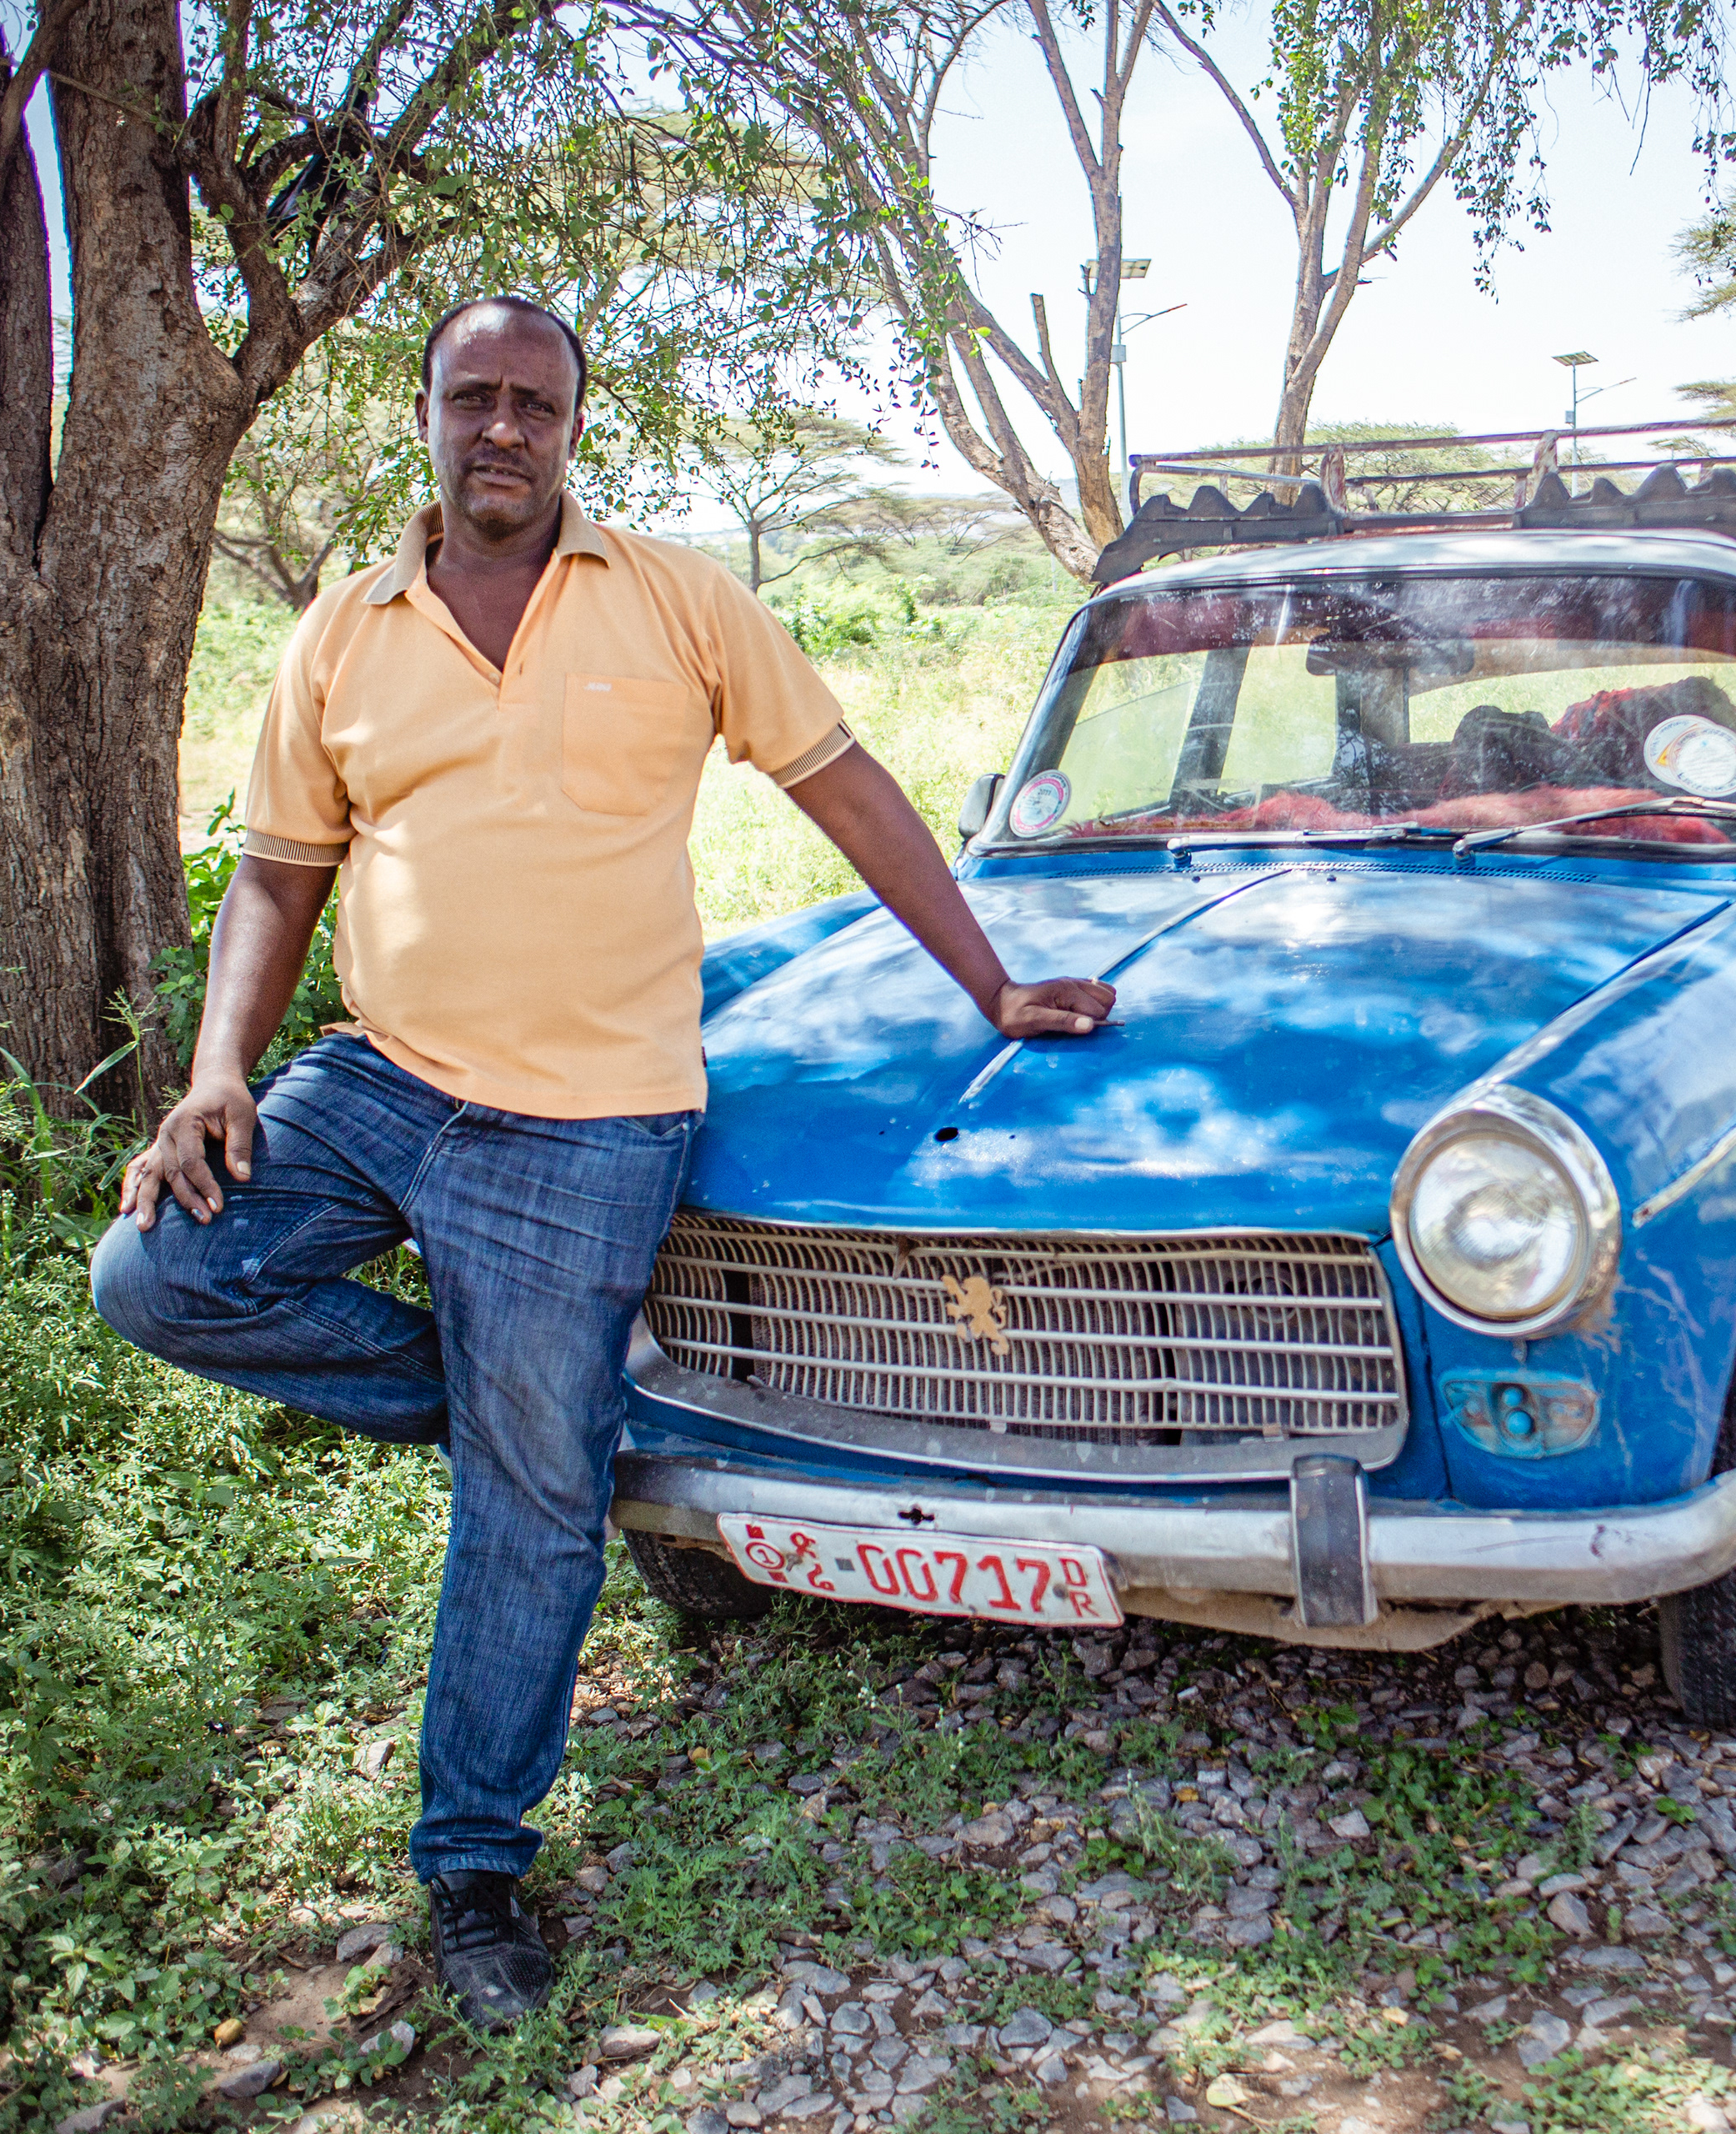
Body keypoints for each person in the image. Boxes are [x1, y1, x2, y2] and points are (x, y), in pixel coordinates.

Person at [90, 294, 1114, 2031]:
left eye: (534, 403)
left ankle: (471, 1860)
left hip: (586, 1121)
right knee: (159, 1271)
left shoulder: (676, 600)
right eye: (471, 397)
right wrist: (216, 1074)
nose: (501, 427)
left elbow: (842, 781)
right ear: (423, 413)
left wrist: (992, 976)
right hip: (385, 1081)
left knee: (523, 1499)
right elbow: (277, 869)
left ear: (575, 424)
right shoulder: (344, 629)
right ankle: (547, 1424)